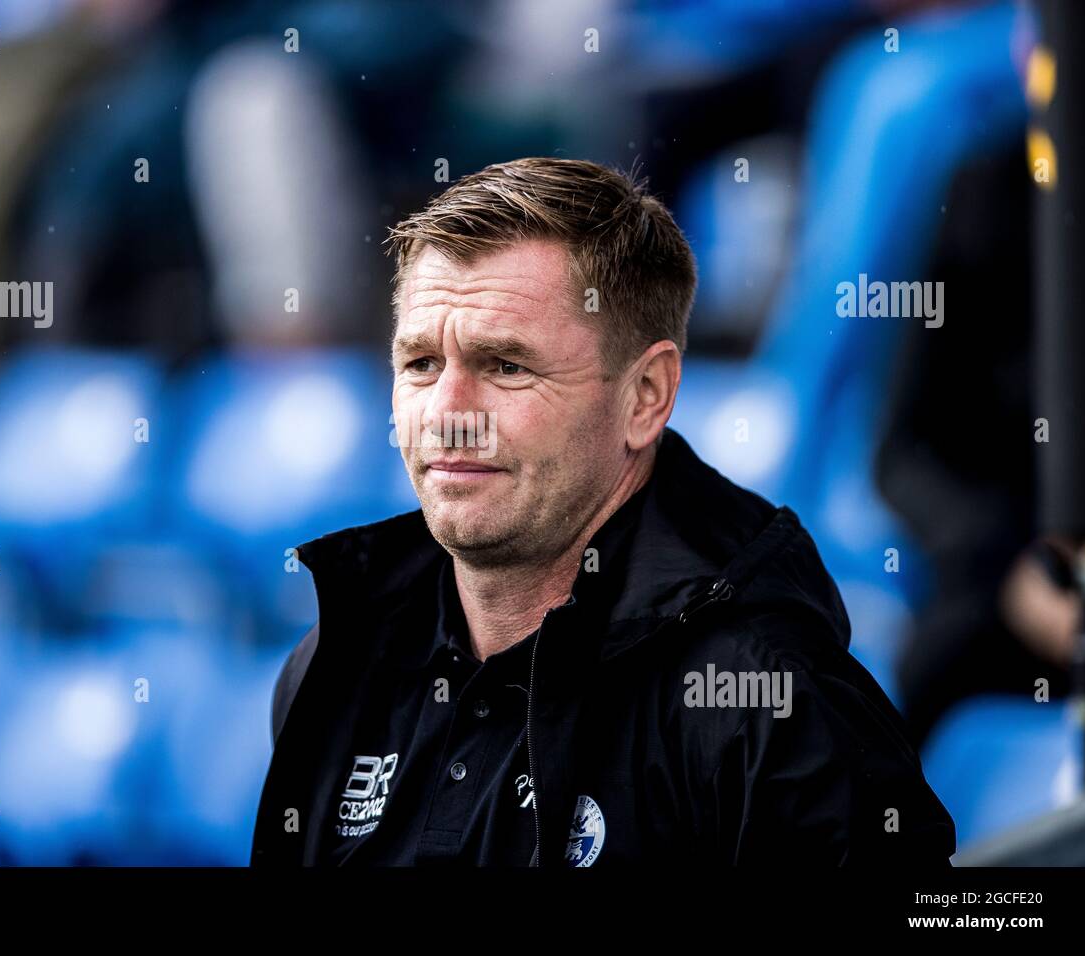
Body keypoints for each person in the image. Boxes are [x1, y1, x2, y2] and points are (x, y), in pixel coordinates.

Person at [250, 157, 955, 866]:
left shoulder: (762, 700)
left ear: (646, 395)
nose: (447, 416)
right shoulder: (334, 664)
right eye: (421, 364)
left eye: (506, 366)